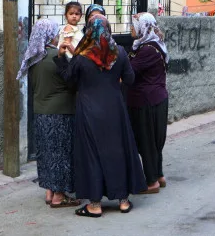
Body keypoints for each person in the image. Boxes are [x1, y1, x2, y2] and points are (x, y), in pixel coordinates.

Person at [55, 14, 146, 217]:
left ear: (88, 30)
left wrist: (61, 58)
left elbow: (70, 80)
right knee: (118, 150)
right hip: (115, 108)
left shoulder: (82, 55)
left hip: (89, 109)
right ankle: (123, 200)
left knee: (92, 154)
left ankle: (95, 204)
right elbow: (130, 79)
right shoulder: (120, 52)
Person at [17, 19, 79, 208]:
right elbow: (73, 81)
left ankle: (49, 192)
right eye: (55, 32)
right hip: (61, 112)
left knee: (46, 153)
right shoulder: (57, 57)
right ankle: (60, 195)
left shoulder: (33, 59)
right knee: (61, 153)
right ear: (50, 35)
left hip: (41, 112)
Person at [126, 13, 169, 194]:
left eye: (133, 25)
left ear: (143, 27)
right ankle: (158, 175)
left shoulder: (147, 50)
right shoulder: (154, 45)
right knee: (154, 141)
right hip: (156, 98)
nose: (131, 29)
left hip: (146, 101)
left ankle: (151, 182)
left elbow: (129, 71)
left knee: (147, 141)